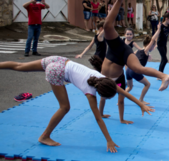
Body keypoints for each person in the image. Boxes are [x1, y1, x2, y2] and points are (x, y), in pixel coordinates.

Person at [0, 56, 154, 151]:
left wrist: (140, 104)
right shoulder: (90, 94)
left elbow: (123, 92)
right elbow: (98, 119)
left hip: (59, 60)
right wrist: (109, 140)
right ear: (100, 94)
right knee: (65, 107)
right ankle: (44, 136)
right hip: (57, 71)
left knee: (19, 66)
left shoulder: (102, 79)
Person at [102, 0, 169, 93]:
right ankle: (164, 76)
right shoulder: (118, 82)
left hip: (116, 49)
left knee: (107, 26)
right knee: (139, 69)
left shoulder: (103, 80)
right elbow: (121, 97)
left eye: (130, 34)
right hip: (124, 56)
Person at [125, 23, 162, 104]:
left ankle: (120, 100)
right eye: (154, 46)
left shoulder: (139, 51)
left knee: (129, 87)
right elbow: (152, 39)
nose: (154, 47)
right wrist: (158, 30)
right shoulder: (145, 51)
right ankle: (141, 100)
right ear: (150, 45)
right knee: (147, 84)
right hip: (134, 71)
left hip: (128, 70)